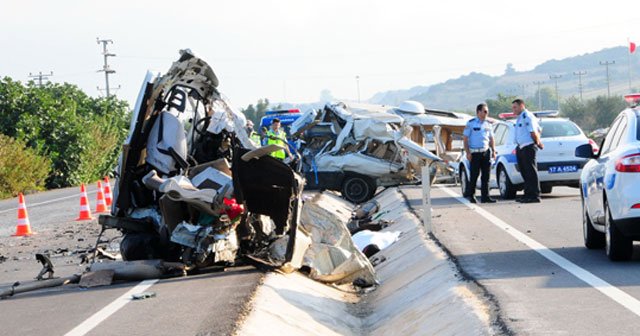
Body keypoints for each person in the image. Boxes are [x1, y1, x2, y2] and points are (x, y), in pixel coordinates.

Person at [463, 103, 496, 203]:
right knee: (474, 175)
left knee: (486, 176)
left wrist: (493, 151)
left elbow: (491, 139)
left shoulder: (488, 123)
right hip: (475, 153)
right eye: (484, 111)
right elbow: (465, 139)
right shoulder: (471, 123)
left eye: (487, 111)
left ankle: (485, 197)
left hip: (486, 152)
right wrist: (468, 153)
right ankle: (471, 195)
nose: (486, 113)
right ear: (478, 112)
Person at [512, 99, 544, 203]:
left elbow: (534, 131)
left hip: (528, 147)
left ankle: (535, 195)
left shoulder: (527, 116)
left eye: (515, 107)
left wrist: (538, 142)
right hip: (521, 147)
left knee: (531, 171)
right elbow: (539, 129)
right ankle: (527, 194)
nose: (513, 110)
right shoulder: (520, 117)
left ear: (522, 106)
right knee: (525, 172)